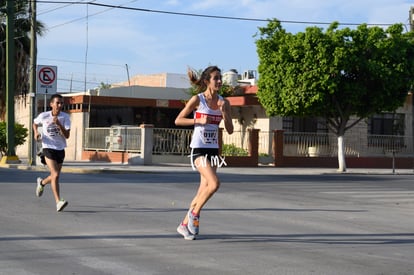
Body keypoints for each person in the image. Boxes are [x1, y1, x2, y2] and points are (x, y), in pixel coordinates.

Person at [175, 66, 234, 240]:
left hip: (213, 150)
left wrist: (224, 113)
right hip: (198, 149)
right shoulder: (197, 100)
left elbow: (230, 130)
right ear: (207, 81)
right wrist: (198, 119)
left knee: (203, 191)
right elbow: (178, 120)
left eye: (220, 78)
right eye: (216, 78)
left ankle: (184, 225)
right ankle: (195, 215)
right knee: (214, 184)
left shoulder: (224, 102)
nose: (220, 81)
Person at [33, 94, 71, 212]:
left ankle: (42, 182)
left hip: (60, 149)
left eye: (61, 103)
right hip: (47, 148)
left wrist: (59, 124)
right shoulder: (44, 115)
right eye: (57, 103)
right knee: (55, 174)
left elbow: (67, 136)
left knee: (55, 176)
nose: (60, 105)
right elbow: (35, 123)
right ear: (51, 104)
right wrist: (35, 133)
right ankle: (58, 202)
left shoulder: (65, 117)